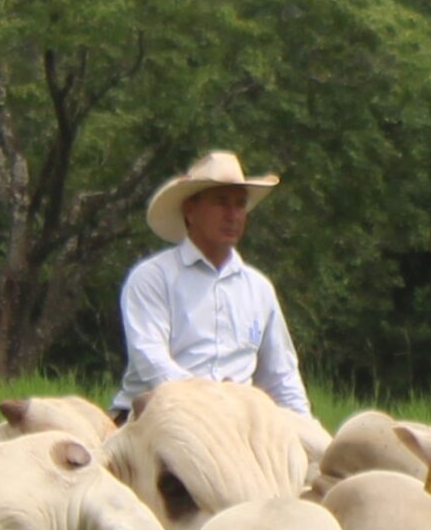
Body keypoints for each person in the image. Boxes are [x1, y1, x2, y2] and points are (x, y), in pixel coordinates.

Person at [114, 149, 309, 421]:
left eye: (240, 204)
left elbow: (281, 377)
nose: (233, 215)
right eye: (221, 202)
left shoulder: (259, 289)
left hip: (235, 421)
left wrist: (306, 430)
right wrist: (210, 402)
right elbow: (152, 362)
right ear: (190, 210)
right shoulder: (152, 277)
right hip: (159, 416)